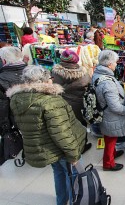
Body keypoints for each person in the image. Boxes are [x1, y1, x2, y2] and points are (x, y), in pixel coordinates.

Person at [7, 65, 86, 205]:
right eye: (50, 77)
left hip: (45, 147)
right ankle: (75, 201)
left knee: (58, 172)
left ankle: (61, 201)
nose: (52, 80)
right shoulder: (51, 101)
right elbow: (61, 132)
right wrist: (73, 154)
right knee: (72, 175)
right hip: (60, 148)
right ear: (43, 81)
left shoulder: (17, 98)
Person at [92, 50, 125, 171]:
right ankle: (108, 164)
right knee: (110, 140)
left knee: (109, 137)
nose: (116, 64)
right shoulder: (108, 83)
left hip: (104, 113)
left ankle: (112, 154)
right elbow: (114, 106)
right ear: (109, 64)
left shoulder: (98, 73)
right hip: (111, 116)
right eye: (115, 62)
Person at [51, 50, 92, 153]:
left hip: (62, 103)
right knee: (81, 124)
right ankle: (82, 145)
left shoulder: (55, 72)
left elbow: (54, 86)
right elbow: (88, 83)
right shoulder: (83, 73)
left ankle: (70, 147)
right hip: (79, 103)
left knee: (67, 126)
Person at [0, 47, 26, 137]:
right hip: (38, 116)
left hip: (17, 120)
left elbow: (3, 106)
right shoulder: (34, 71)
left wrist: (5, 128)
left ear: (3, 61)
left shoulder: (2, 78)